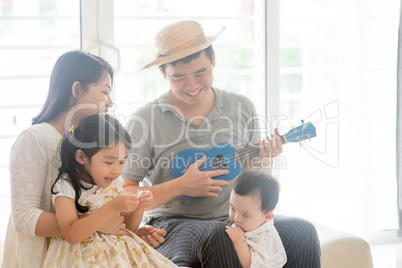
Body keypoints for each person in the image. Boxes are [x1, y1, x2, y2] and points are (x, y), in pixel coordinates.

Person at [122, 20, 321, 267]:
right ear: (163, 73)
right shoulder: (145, 119)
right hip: (171, 222)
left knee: (301, 231)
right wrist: (180, 186)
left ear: (213, 60)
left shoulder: (241, 107)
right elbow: (125, 191)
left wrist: (265, 160)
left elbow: (251, 181)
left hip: (236, 219)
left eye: (200, 73)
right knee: (221, 236)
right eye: (179, 77)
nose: (192, 85)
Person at [2, 50, 166, 268]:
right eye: (104, 92)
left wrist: (117, 228)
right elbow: (24, 218)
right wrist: (96, 223)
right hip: (45, 257)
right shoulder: (35, 139)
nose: (110, 103)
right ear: (76, 89)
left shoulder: (88, 145)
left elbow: (99, 202)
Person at [42, 114, 177, 267]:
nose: (116, 170)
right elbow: (71, 234)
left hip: (118, 256)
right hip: (80, 259)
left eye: (121, 162)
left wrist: (139, 207)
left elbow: (126, 229)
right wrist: (113, 206)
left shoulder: (115, 183)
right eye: (109, 162)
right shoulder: (67, 186)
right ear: (81, 157)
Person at [225, 170, 287, 268]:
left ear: (267, 217)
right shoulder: (251, 222)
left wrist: (239, 242)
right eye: (233, 208)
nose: (236, 218)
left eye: (245, 215)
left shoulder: (264, 237)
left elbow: (255, 265)